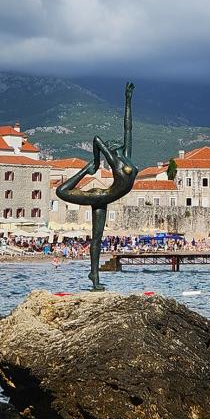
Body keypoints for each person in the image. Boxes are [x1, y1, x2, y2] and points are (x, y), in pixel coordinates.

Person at [56, 82, 137, 290]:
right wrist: (95, 162)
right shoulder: (115, 161)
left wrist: (128, 100)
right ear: (110, 149)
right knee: (60, 191)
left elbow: (128, 127)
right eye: (112, 143)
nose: (116, 141)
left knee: (97, 239)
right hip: (99, 196)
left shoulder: (126, 157)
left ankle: (94, 275)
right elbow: (97, 139)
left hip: (104, 198)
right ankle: (85, 170)